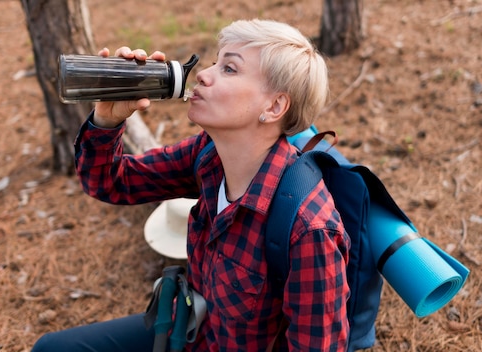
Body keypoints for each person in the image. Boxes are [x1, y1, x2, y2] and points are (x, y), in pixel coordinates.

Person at [32, 19, 350, 352]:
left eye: (229, 69)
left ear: (273, 107)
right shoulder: (210, 153)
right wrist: (108, 118)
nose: (203, 74)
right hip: (191, 330)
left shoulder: (309, 231)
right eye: (216, 61)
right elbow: (112, 183)